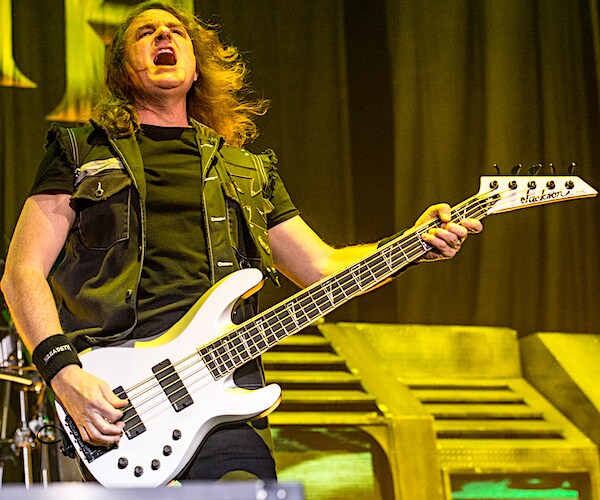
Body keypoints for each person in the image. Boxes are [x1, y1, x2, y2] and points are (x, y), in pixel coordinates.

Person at [0, 0, 482, 485]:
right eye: (146, 32)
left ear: (196, 70)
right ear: (122, 67)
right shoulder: (81, 151)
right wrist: (63, 373)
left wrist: (413, 243)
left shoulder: (248, 171)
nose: (163, 37)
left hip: (226, 399)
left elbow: (323, 267)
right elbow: (22, 271)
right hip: (119, 403)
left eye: (176, 31)